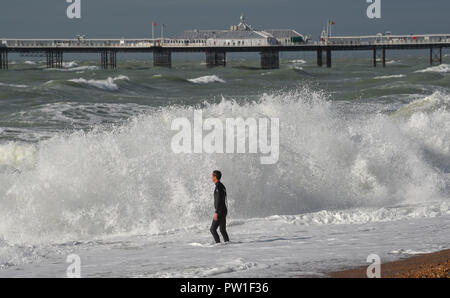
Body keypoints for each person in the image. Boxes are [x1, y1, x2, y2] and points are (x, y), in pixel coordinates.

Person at [210, 170, 230, 243]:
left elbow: (219, 200)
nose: (211, 177)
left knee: (212, 229)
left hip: (220, 211)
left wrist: (216, 212)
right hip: (223, 210)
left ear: (215, 177)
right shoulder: (221, 185)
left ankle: (218, 244)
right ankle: (227, 243)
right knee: (222, 230)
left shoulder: (218, 187)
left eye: (212, 176)